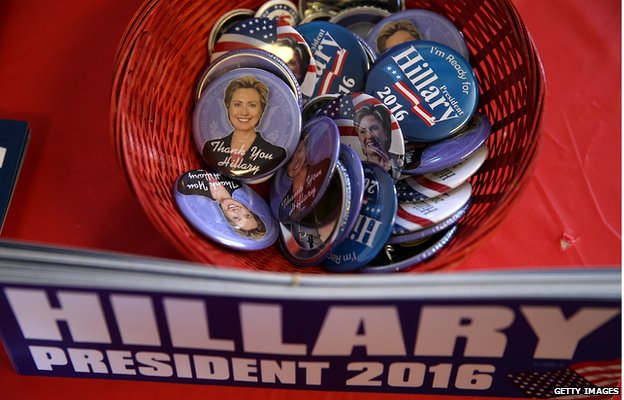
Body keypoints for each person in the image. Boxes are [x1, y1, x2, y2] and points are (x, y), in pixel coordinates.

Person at [202, 75, 286, 178]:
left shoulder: (276, 154)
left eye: (252, 105)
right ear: (228, 107)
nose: (244, 112)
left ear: (262, 110)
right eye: (237, 104)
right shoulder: (210, 149)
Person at [177, 170, 267, 240]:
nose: (237, 211)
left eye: (236, 218)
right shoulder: (237, 182)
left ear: (227, 218)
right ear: (249, 210)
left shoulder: (190, 192)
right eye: (247, 215)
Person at [354, 103, 393, 172]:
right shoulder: (357, 171)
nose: (369, 136)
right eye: (362, 132)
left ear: (386, 132)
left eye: (374, 128)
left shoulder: (400, 162)